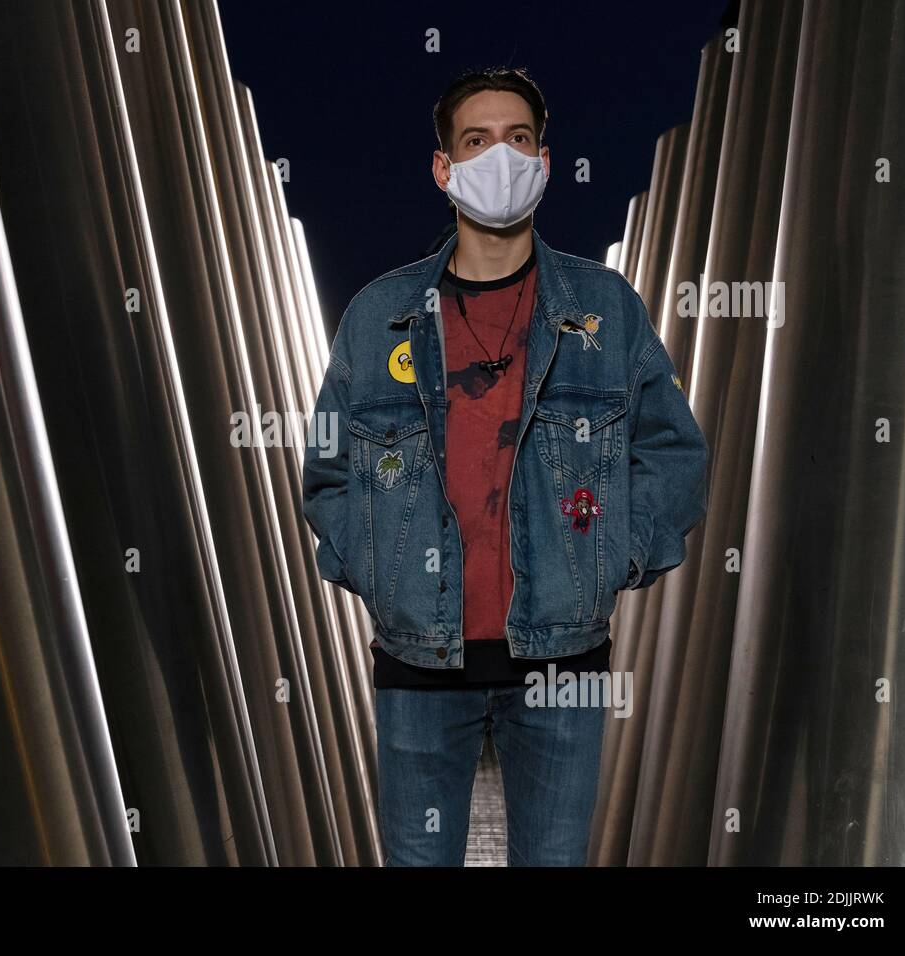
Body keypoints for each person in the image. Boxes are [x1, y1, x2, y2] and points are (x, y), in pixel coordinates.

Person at [301, 66, 709, 866]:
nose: (501, 157)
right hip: (418, 666)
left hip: (565, 664)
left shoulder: (604, 310)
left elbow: (673, 451)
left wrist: (613, 561)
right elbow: (327, 465)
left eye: (518, 140)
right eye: (477, 140)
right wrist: (384, 577)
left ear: (545, 162)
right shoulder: (377, 319)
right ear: (443, 168)